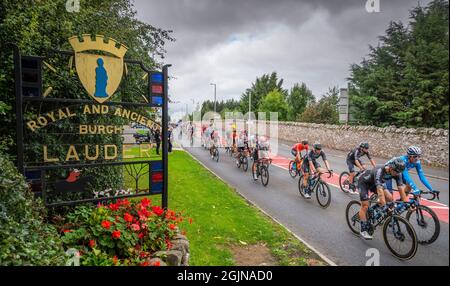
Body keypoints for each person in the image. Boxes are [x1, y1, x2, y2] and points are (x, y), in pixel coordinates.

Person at [356, 157, 408, 240]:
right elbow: (380, 191)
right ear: (391, 168)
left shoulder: (398, 173)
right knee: (365, 205)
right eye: (396, 171)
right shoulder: (380, 170)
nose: (397, 174)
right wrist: (384, 206)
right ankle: (363, 229)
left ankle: (376, 211)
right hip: (364, 183)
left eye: (399, 172)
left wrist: (406, 203)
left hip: (378, 183)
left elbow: (401, 189)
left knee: (390, 198)